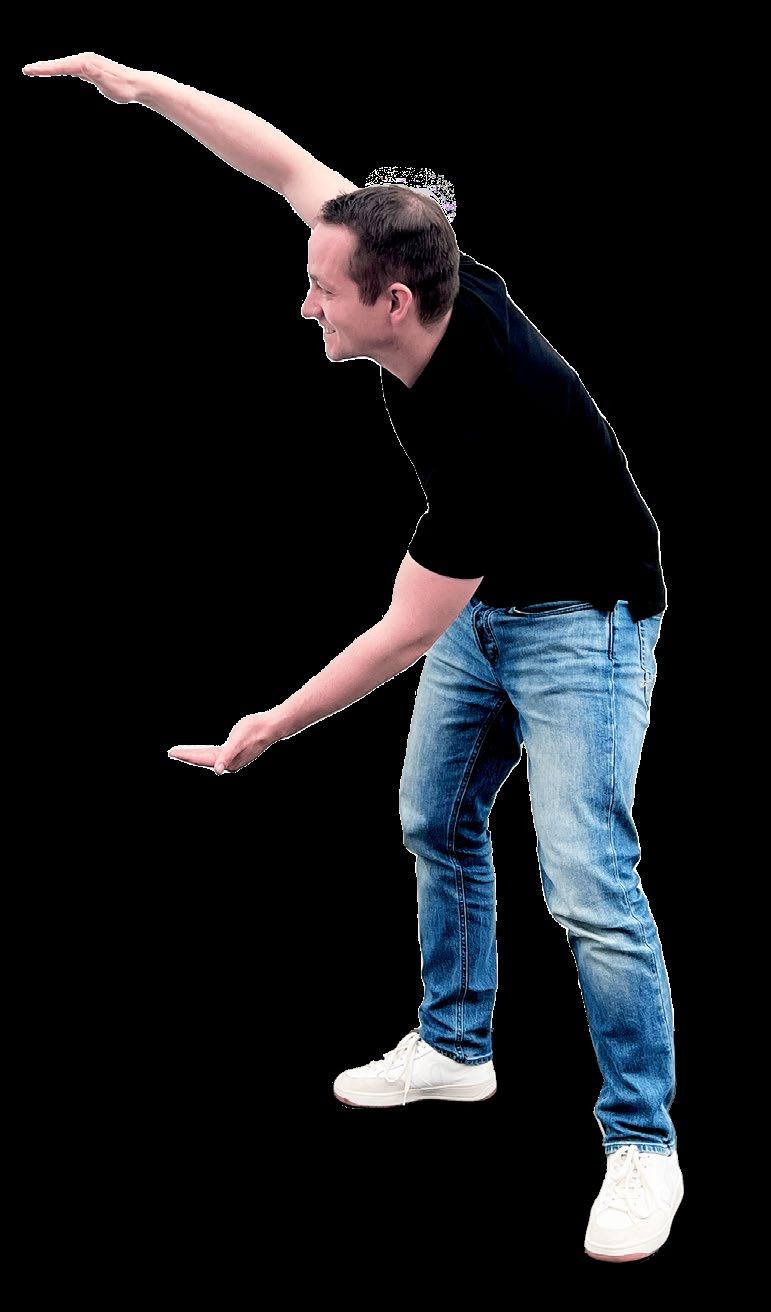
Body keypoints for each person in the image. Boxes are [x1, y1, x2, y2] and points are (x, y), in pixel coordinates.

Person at [23, 52, 684, 1260]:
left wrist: (265, 727)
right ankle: (457, 1046)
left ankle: (644, 1143)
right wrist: (143, 86)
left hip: (579, 618)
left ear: (392, 301)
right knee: (435, 813)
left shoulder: (494, 423)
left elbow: (400, 633)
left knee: (589, 881)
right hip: (494, 594)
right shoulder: (407, 248)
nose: (305, 306)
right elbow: (280, 162)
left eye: (322, 291)